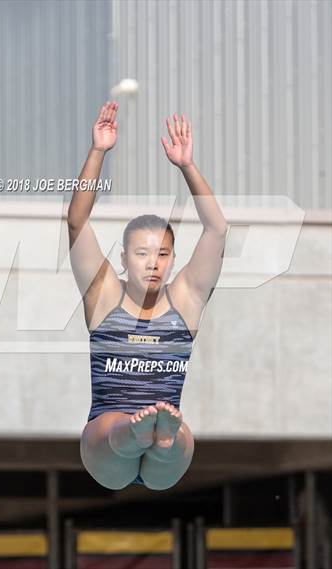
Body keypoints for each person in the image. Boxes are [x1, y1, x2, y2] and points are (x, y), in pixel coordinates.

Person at [67, 101, 227, 490]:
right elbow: (76, 222)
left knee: (180, 439)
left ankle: (164, 439)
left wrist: (187, 166)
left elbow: (217, 230)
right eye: (142, 254)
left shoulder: (184, 301)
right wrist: (98, 151)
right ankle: (136, 432)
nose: (152, 264)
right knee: (114, 429)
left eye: (162, 255)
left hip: (163, 464)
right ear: (123, 258)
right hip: (107, 446)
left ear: (172, 261)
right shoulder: (104, 297)